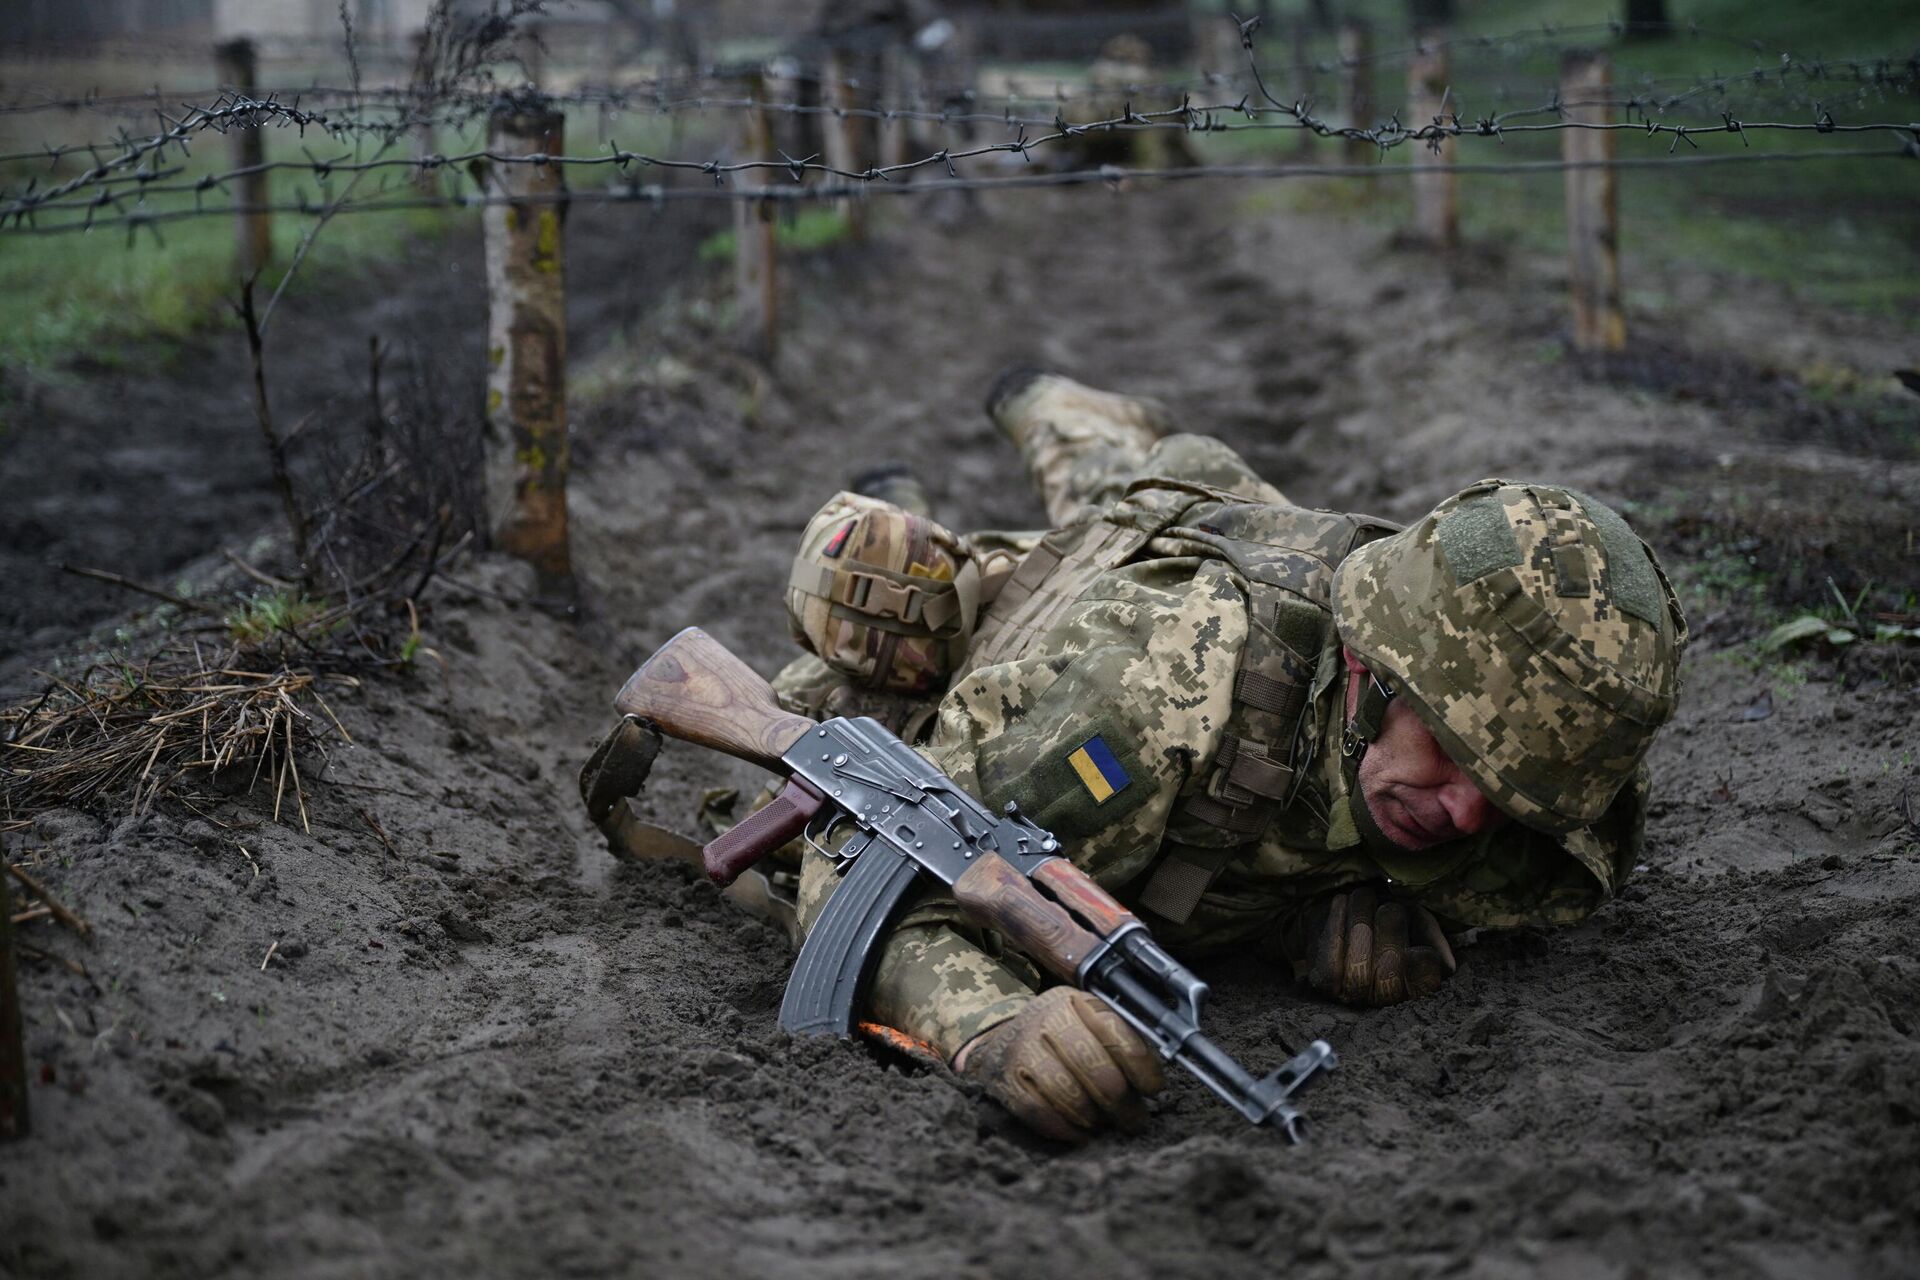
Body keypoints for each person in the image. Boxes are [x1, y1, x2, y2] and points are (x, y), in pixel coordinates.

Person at [668, 370, 1688, 1143]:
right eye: (1455, 752)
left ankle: (1086, 427)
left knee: (1159, 470)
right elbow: (859, 859)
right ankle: (983, 452)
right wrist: (989, 1025)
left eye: (1510, 795)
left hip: (1224, 517)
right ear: (1371, 664)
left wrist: (1324, 908)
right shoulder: (1154, 693)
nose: (1468, 815)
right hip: (1072, 619)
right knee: (903, 593)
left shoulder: (1529, 754)